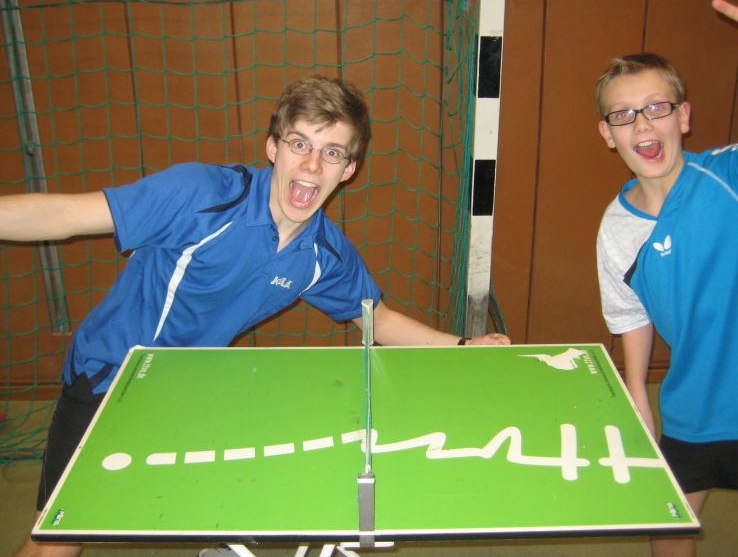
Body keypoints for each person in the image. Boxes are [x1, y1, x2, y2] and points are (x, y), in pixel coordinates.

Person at [2, 75, 510, 557]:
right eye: (299, 143)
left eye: (332, 152)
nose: (312, 165)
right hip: (110, 377)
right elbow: (66, 215)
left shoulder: (324, 255)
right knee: (57, 542)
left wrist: (464, 347)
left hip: (190, 386)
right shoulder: (201, 196)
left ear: (348, 170)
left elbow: (380, 321)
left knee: (258, 496)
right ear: (272, 148)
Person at [595, 0, 738, 557]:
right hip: (689, 409)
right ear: (607, 134)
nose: (642, 124)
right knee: (667, 529)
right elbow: (630, 312)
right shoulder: (616, 224)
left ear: (683, 116)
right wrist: (638, 393)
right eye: (623, 115)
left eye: (657, 107)